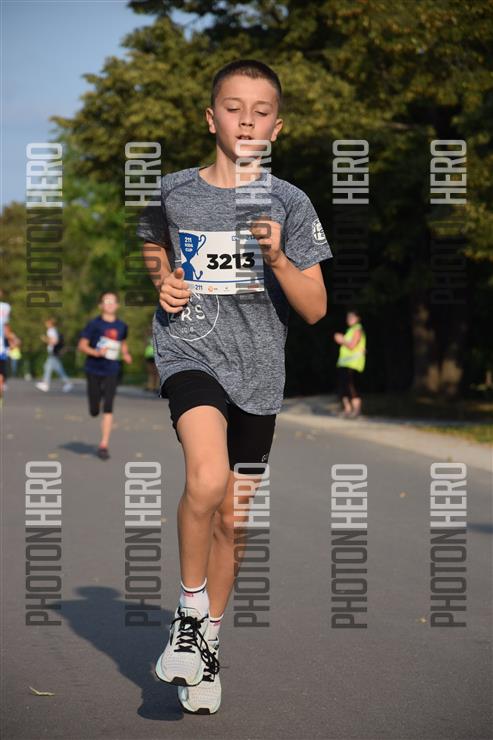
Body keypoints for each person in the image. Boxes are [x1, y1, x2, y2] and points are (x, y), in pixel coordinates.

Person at [137, 59, 332, 714]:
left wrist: (277, 257)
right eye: (233, 107)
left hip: (259, 372)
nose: (246, 120)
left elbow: (315, 309)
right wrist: (163, 281)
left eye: (260, 111)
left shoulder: (290, 203)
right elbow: (154, 245)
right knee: (206, 478)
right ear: (209, 117)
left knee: (233, 520)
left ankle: (207, 645)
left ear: (277, 126)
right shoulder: (171, 191)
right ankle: (188, 616)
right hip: (189, 352)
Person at [77, 292, 132, 460]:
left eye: (112, 301)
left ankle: (104, 444)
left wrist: (126, 354)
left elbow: (122, 342)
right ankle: (95, 406)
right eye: (106, 301)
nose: (109, 304)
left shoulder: (122, 326)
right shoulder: (94, 324)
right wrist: (96, 352)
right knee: (94, 410)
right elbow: (82, 345)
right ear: (100, 305)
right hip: (93, 368)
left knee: (108, 406)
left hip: (112, 369)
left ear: (117, 305)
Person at [334, 308, 366, 418]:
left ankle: (356, 411)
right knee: (344, 387)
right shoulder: (350, 330)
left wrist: (341, 339)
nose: (349, 319)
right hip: (345, 363)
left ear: (358, 318)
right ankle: (348, 410)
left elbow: (352, 345)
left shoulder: (357, 329)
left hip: (354, 364)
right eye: (348, 317)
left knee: (353, 387)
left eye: (352, 317)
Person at [35, 318, 73, 393]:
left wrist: (45, 339)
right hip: (55, 352)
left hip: (53, 352)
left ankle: (46, 384)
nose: (45, 325)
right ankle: (67, 383)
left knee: (48, 367)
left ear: (50, 324)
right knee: (56, 368)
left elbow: (54, 341)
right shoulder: (54, 330)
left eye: (46, 323)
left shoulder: (51, 331)